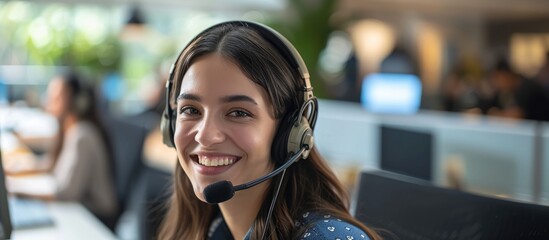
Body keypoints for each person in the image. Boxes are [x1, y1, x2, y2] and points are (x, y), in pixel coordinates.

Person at [158, 21, 380, 239]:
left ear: (289, 131)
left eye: (238, 113)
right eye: (191, 110)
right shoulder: (211, 227)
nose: (205, 136)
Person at [7, 71, 118, 226]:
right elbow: (52, 165)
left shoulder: (82, 135)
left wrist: (18, 191)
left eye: (56, 98)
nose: (48, 101)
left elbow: (66, 194)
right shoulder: (69, 130)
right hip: (80, 211)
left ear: (77, 102)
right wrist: (14, 172)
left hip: (96, 218)